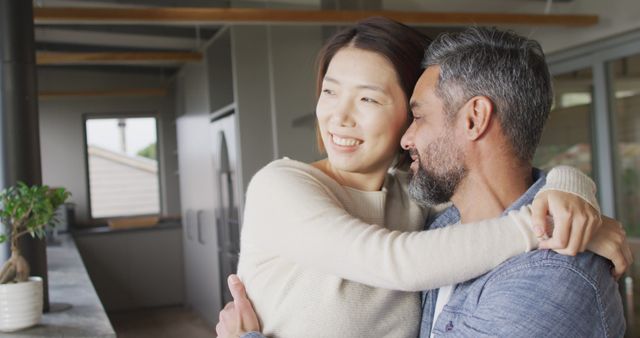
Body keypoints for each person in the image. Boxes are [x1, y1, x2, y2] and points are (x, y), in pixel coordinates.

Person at [216, 19, 630, 338]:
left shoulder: (418, 200)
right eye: (329, 91)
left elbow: (494, 190)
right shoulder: (282, 185)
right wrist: (547, 226)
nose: (338, 117)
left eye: (368, 98)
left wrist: (571, 188)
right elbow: (395, 261)